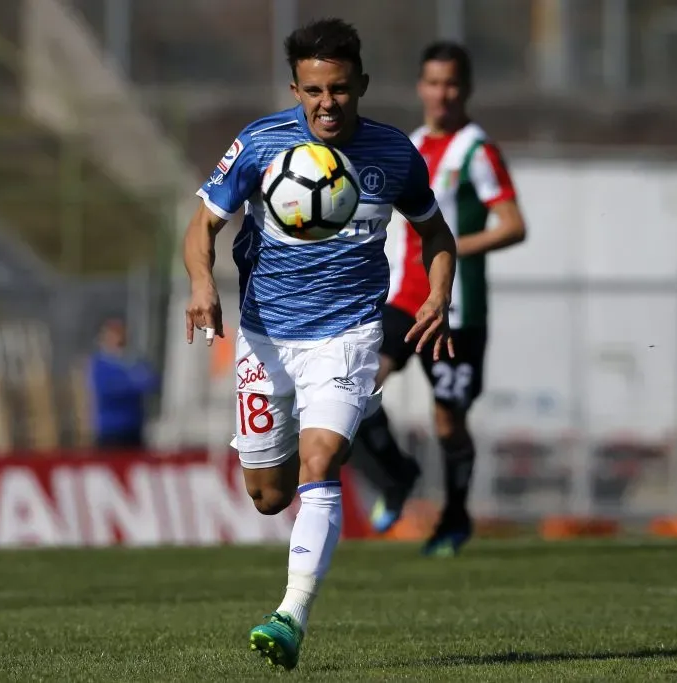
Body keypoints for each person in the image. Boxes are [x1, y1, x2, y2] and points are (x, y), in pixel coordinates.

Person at [182, 19, 457, 670]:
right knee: (269, 494)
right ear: (295, 88)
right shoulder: (260, 143)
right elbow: (203, 223)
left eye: (338, 89)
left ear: (360, 83)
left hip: (350, 332)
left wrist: (439, 295)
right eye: (313, 90)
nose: (326, 103)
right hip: (266, 336)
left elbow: (436, 235)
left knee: (322, 460)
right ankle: (327, 455)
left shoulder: (392, 155)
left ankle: (290, 615)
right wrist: (201, 281)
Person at [352, 41, 527, 557]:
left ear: (465, 89)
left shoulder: (477, 150)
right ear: (420, 87)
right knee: (357, 382)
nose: (442, 93)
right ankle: (396, 476)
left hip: (457, 309)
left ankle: (453, 517)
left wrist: (449, 246)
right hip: (405, 299)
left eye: (452, 83)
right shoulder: (409, 144)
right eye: (433, 82)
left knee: (448, 420)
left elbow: (514, 225)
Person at [86, 317, 160, 449]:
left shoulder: (133, 360)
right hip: (111, 431)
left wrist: (133, 383)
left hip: (134, 427)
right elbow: (109, 389)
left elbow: (151, 381)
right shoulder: (100, 364)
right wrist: (133, 383)